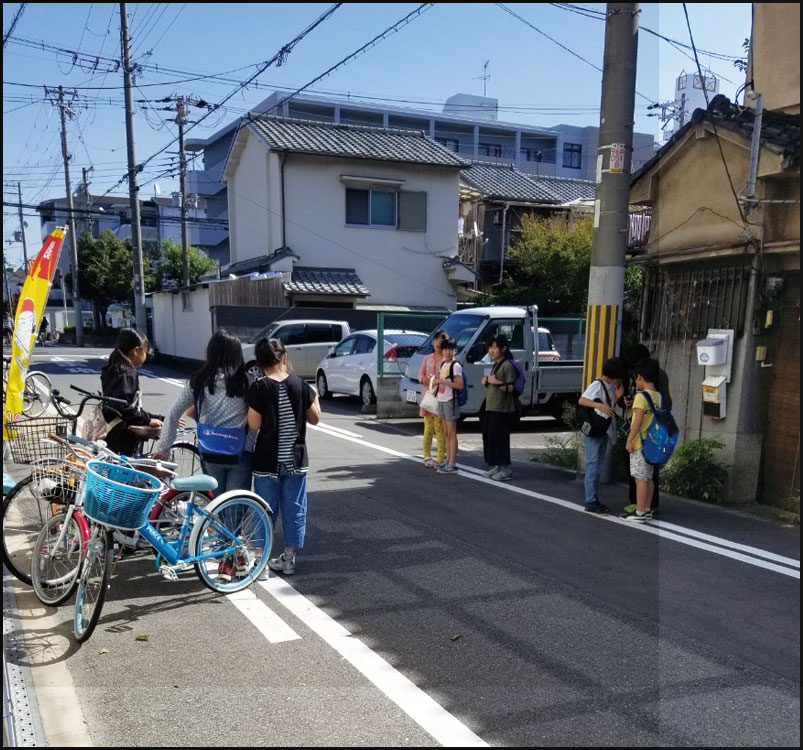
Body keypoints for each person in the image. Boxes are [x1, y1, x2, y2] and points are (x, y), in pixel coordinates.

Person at [246, 338, 321, 575]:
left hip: (267, 459)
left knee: (264, 510)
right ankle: (288, 559)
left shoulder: (258, 387)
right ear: (285, 357)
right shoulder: (300, 385)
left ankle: (261, 562)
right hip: (296, 459)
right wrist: (314, 395)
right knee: (295, 508)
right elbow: (315, 418)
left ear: (260, 363)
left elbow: (254, 424)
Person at [152, 329, 251, 496]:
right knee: (236, 505)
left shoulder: (199, 380)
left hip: (210, 450)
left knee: (215, 507)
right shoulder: (246, 381)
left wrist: (163, 449)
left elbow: (174, 413)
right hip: (240, 451)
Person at [622, 344, 671, 514]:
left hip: (640, 438)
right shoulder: (657, 389)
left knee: (639, 476)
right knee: (649, 475)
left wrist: (629, 439)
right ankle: (648, 506)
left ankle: (640, 508)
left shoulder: (643, 391)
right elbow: (665, 405)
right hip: (654, 437)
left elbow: (638, 420)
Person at [100, 328, 163, 457]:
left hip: (112, 428)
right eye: (145, 352)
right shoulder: (126, 372)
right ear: (135, 351)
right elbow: (123, 407)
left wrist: (154, 417)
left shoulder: (113, 367)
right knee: (125, 470)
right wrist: (148, 420)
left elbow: (123, 404)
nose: (146, 356)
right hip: (122, 433)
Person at [578, 357, 625, 514]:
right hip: (595, 430)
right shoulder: (597, 385)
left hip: (603, 429)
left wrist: (617, 397)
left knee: (597, 464)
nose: (619, 380)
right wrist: (599, 405)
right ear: (612, 376)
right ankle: (591, 500)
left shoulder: (610, 385)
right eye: (618, 377)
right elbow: (582, 400)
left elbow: (609, 408)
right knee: (593, 464)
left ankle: (593, 499)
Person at [480, 334, 518, 481]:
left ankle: (505, 468)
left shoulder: (508, 365)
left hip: (502, 409)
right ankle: (497, 465)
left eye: (495, 347)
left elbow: (511, 388)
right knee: (491, 437)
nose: (492, 350)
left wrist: (495, 382)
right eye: (490, 347)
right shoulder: (496, 364)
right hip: (492, 407)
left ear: (503, 348)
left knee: (501, 439)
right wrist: (488, 381)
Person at [434, 335, 463, 475]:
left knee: (451, 434)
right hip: (442, 399)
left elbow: (459, 385)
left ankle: (452, 463)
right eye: (445, 349)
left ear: (455, 351)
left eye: (450, 349)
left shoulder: (455, 365)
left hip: (450, 401)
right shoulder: (442, 364)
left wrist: (444, 382)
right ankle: (448, 459)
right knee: (446, 433)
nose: (447, 352)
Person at [419, 330, 446, 468]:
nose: (438, 343)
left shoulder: (446, 361)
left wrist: (438, 380)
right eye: (436, 340)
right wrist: (425, 379)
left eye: (441, 340)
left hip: (439, 400)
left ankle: (440, 458)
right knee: (428, 429)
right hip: (427, 399)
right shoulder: (427, 358)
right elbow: (420, 376)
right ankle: (427, 456)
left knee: (439, 429)